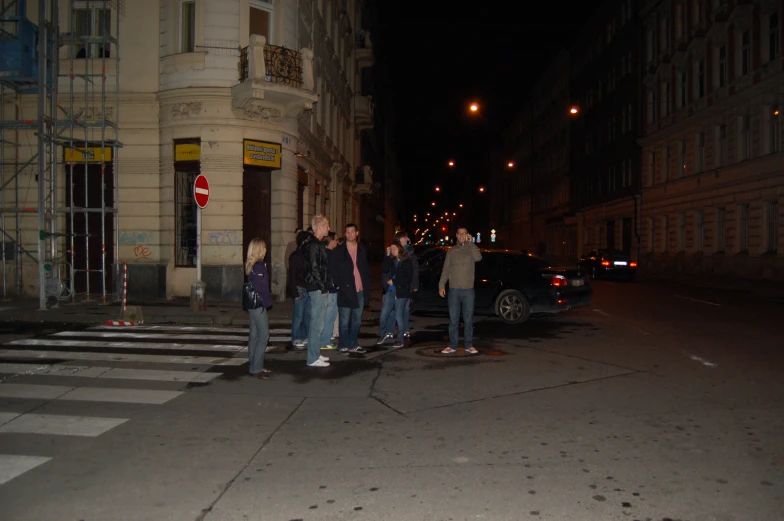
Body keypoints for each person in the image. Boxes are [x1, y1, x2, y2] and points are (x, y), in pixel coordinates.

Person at [438, 227, 482, 354]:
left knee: (468, 319)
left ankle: (469, 345)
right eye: (460, 234)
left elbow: (478, 258)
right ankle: (452, 345)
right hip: (454, 290)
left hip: (468, 290)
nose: (462, 236)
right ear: (456, 235)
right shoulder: (452, 251)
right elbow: (446, 269)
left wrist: (471, 243)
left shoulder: (471, 249)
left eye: (464, 234)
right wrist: (441, 285)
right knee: (453, 319)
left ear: (467, 235)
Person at [333, 223, 370, 354]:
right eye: (347, 232)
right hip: (345, 290)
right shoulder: (339, 250)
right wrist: (338, 285)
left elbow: (365, 270)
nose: (349, 234)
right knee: (344, 320)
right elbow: (334, 270)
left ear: (357, 233)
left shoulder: (362, 249)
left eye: (352, 231)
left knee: (357, 320)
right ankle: (343, 344)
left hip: (359, 290)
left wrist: (367, 291)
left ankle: (353, 343)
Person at [301, 215, 333, 367]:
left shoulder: (316, 244)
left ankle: (315, 354)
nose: (329, 228)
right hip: (316, 288)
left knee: (318, 323)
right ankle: (312, 358)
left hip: (317, 286)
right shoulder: (314, 245)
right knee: (316, 323)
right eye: (327, 225)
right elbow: (315, 268)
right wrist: (323, 287)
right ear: (320, 227)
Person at [244, 238, 273, 378]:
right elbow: (261, 289)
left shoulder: (252, 265)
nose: (266, 250)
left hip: (252, 304)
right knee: (263, 335)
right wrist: (266, 303)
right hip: (258, 304)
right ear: (259, 250)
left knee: (254, 335)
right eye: (264, 247)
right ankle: (256, 368)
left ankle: (255, 364)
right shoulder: (259, 266)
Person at [287, 230, 311, 349]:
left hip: (307, 288)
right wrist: (294, 293)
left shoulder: (308, 255)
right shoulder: (295, 256)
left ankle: (305, 336)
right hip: (299, 288)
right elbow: (291, 275)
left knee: (307, 315)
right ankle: (296, 337)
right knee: (298, 315)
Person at [387, 241, 414, 348]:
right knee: (394, 313)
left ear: (400, 249)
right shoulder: (394, 261)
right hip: (395, 291)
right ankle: (390, 333)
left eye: (394, 249)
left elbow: (407, 278)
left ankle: (400, 339)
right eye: (391, 249)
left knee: (399, 314)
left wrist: (395, 282)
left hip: (402, 292)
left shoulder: (406, 261)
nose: (392, 251)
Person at [319, 231, 339, 351]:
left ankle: (324, 339)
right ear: (331, 241)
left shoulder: (322, 253)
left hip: (327, 288)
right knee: (330, 316)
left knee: (326, 315)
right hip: (331, 289)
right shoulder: (331, 255)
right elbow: (333, 272)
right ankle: (325, 341)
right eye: (335, 239)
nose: (336, 242)